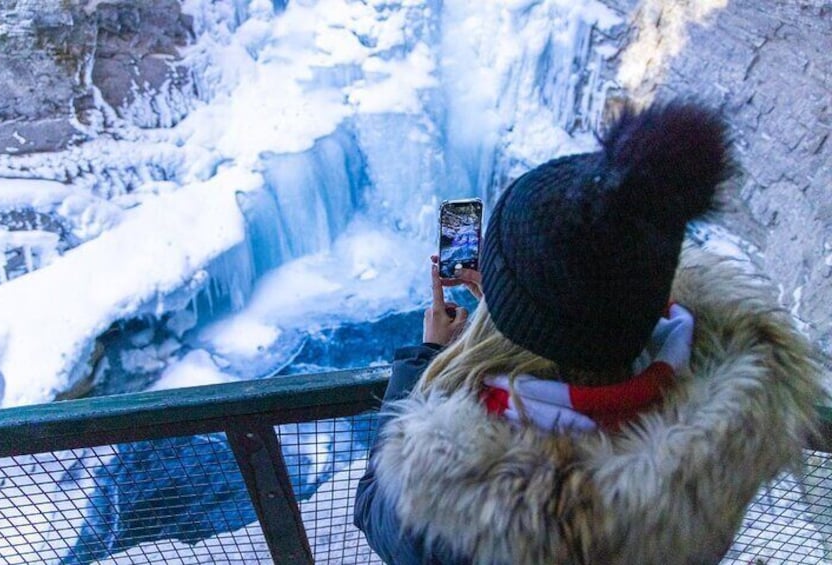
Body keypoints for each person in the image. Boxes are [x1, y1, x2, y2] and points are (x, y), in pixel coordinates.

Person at [354, 101, 825, 564]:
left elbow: (374, 507)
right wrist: (519, 305)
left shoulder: (454, 491)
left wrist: (426, 355)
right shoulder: (716, 438)